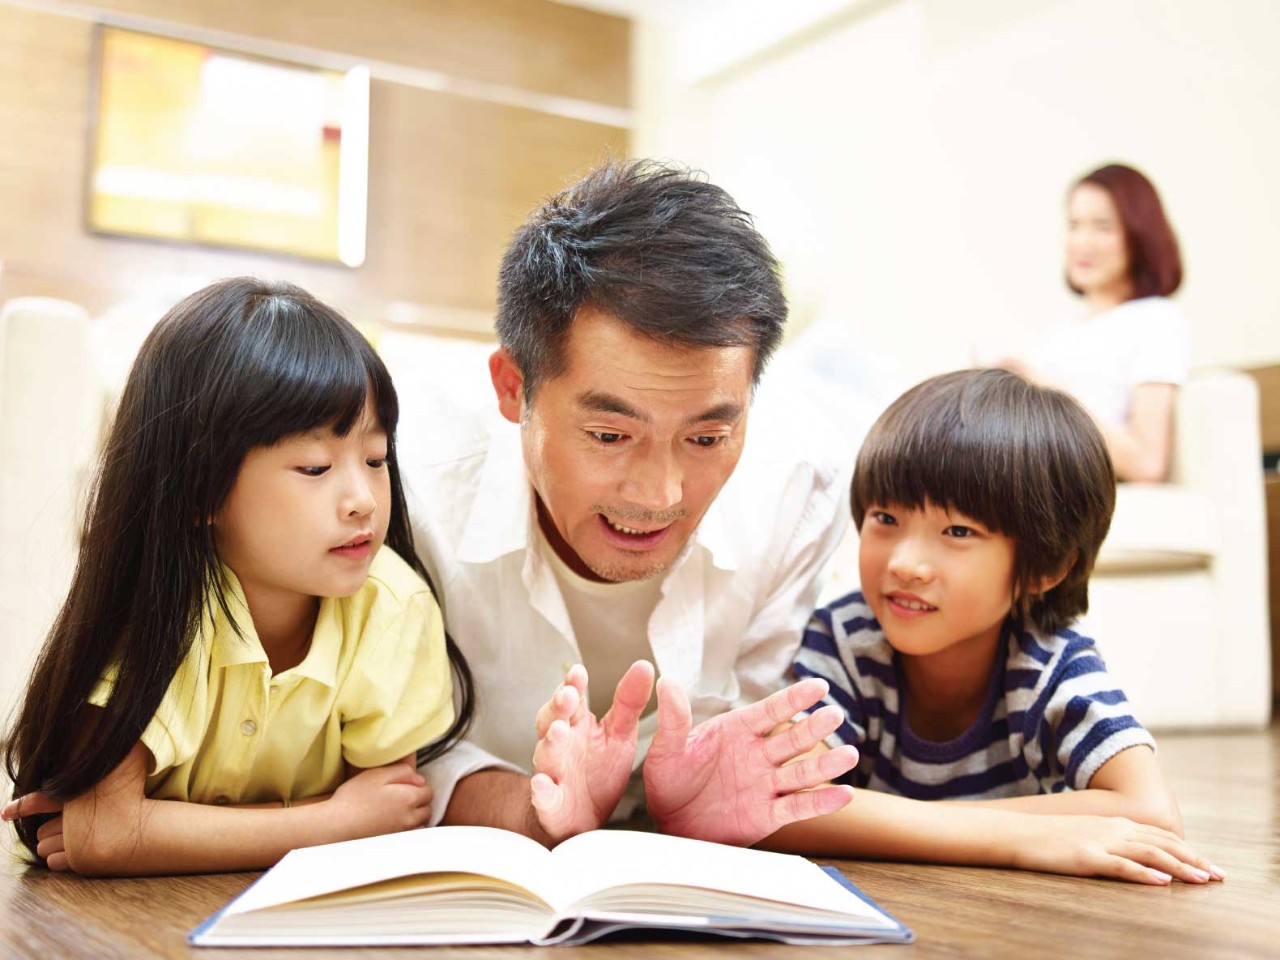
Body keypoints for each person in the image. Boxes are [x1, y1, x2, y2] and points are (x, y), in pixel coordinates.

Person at [388, 160, 858, 845]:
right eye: (610, 434)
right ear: (511, 386)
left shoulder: (800, 486)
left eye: (707, 436)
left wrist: (709, 796)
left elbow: (750, 729)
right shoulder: (409, 479)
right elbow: (393, 749)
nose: (660, 494)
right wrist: (533, 811)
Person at [1, 278, 474, 875]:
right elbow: (106, 832)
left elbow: (389, 813)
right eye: (315, 466)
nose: (362, 500)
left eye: (376, 459)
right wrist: (329, 823)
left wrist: (146, 834)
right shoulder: (161, 604)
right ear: (202, 489)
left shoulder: (393, 604)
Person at [764, 368, 1224, 886]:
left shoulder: (1051, 661)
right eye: (885, 519)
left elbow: (1152, 812)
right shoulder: (846, 638)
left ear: (1048, 565)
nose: (905, 563)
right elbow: (777, 801)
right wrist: (1020, 838)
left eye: (958, 530)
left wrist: (880, 820)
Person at [1000, 163, 1189, 482]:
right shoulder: (1063, 334)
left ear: (1139, 236)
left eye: (1103, 227)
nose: (1082, 242)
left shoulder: (1156, 320)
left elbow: (1146, 463)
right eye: (1074, 225)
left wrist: (1043, 389)